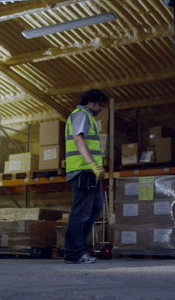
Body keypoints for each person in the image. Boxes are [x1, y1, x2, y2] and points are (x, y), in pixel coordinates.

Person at [63, 89, 108, 264]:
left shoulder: (88, 117)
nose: (101, 108)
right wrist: (93, 164)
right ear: (91, 102)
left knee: (96, 208)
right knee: (81, 213)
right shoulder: (81, 115)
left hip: (90, 172)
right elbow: (78, 139)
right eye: (100, 104)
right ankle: (74, 253)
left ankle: (79, 247)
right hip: (83, 170)